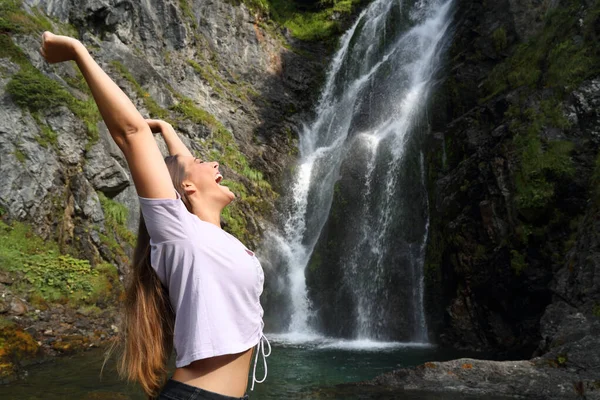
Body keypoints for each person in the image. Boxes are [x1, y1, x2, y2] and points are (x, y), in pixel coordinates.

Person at [39, 32, 270, 400]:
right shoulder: (179, 233)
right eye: (201, 162)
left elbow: (184, 173)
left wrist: (165, 127)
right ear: (188, 191)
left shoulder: (211, 237)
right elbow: (131, 134)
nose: (213, 162)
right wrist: (78, 52)